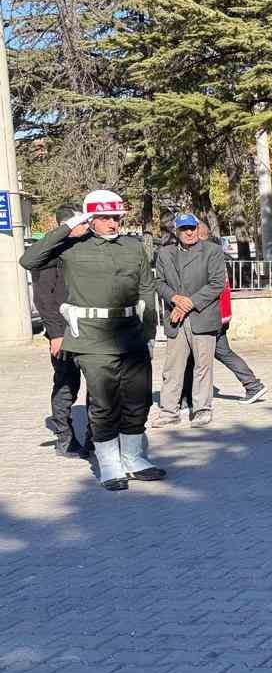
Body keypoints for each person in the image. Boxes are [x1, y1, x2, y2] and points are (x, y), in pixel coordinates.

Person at [20, 189, 164, 490]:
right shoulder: (72, 247)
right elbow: (29, 259)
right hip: (91, 337)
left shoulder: (133, 246)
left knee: (138, 399)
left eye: (116, 217)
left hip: (131, 334)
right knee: (103, 402)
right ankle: (110, 463)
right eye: (106, 218)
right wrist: (67, 228)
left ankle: (134, 457)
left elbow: (147, 290)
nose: (113, 223)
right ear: (91, 218)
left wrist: (150, 333)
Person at [179, 223, 266, 407]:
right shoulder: (212, 254)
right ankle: (252, 385)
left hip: (211, 316)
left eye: (193, 232)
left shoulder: (208, 255)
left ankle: (187, 399)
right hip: (219, 315)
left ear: (200, 235)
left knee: (194, 357)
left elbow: (210, 287)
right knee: (220, 353)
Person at [154, 213, 227, 428]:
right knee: (172, 367)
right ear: (176, 231)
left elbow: (216, 284)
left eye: (192, 228)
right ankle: (169, 411)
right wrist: (175, 299)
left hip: (202, 317)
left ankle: (202, 410)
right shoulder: (165, 253)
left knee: (202, 367)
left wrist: (188, 303)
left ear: (197, 228)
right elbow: (158, 282)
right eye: (184, 228)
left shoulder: (212, 251)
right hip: (176, 320)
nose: (189, 232)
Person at [32, 202, 88, 457]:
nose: (85, 226)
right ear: (67, 225)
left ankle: (95, 438)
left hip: (89, 329)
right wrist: (55, 333)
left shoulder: (83, 246)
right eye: (80, 223)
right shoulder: (48, 252)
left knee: (99, 385)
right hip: (63, 331)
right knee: (67, 384)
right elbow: (44, 298)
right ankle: (64, 437)